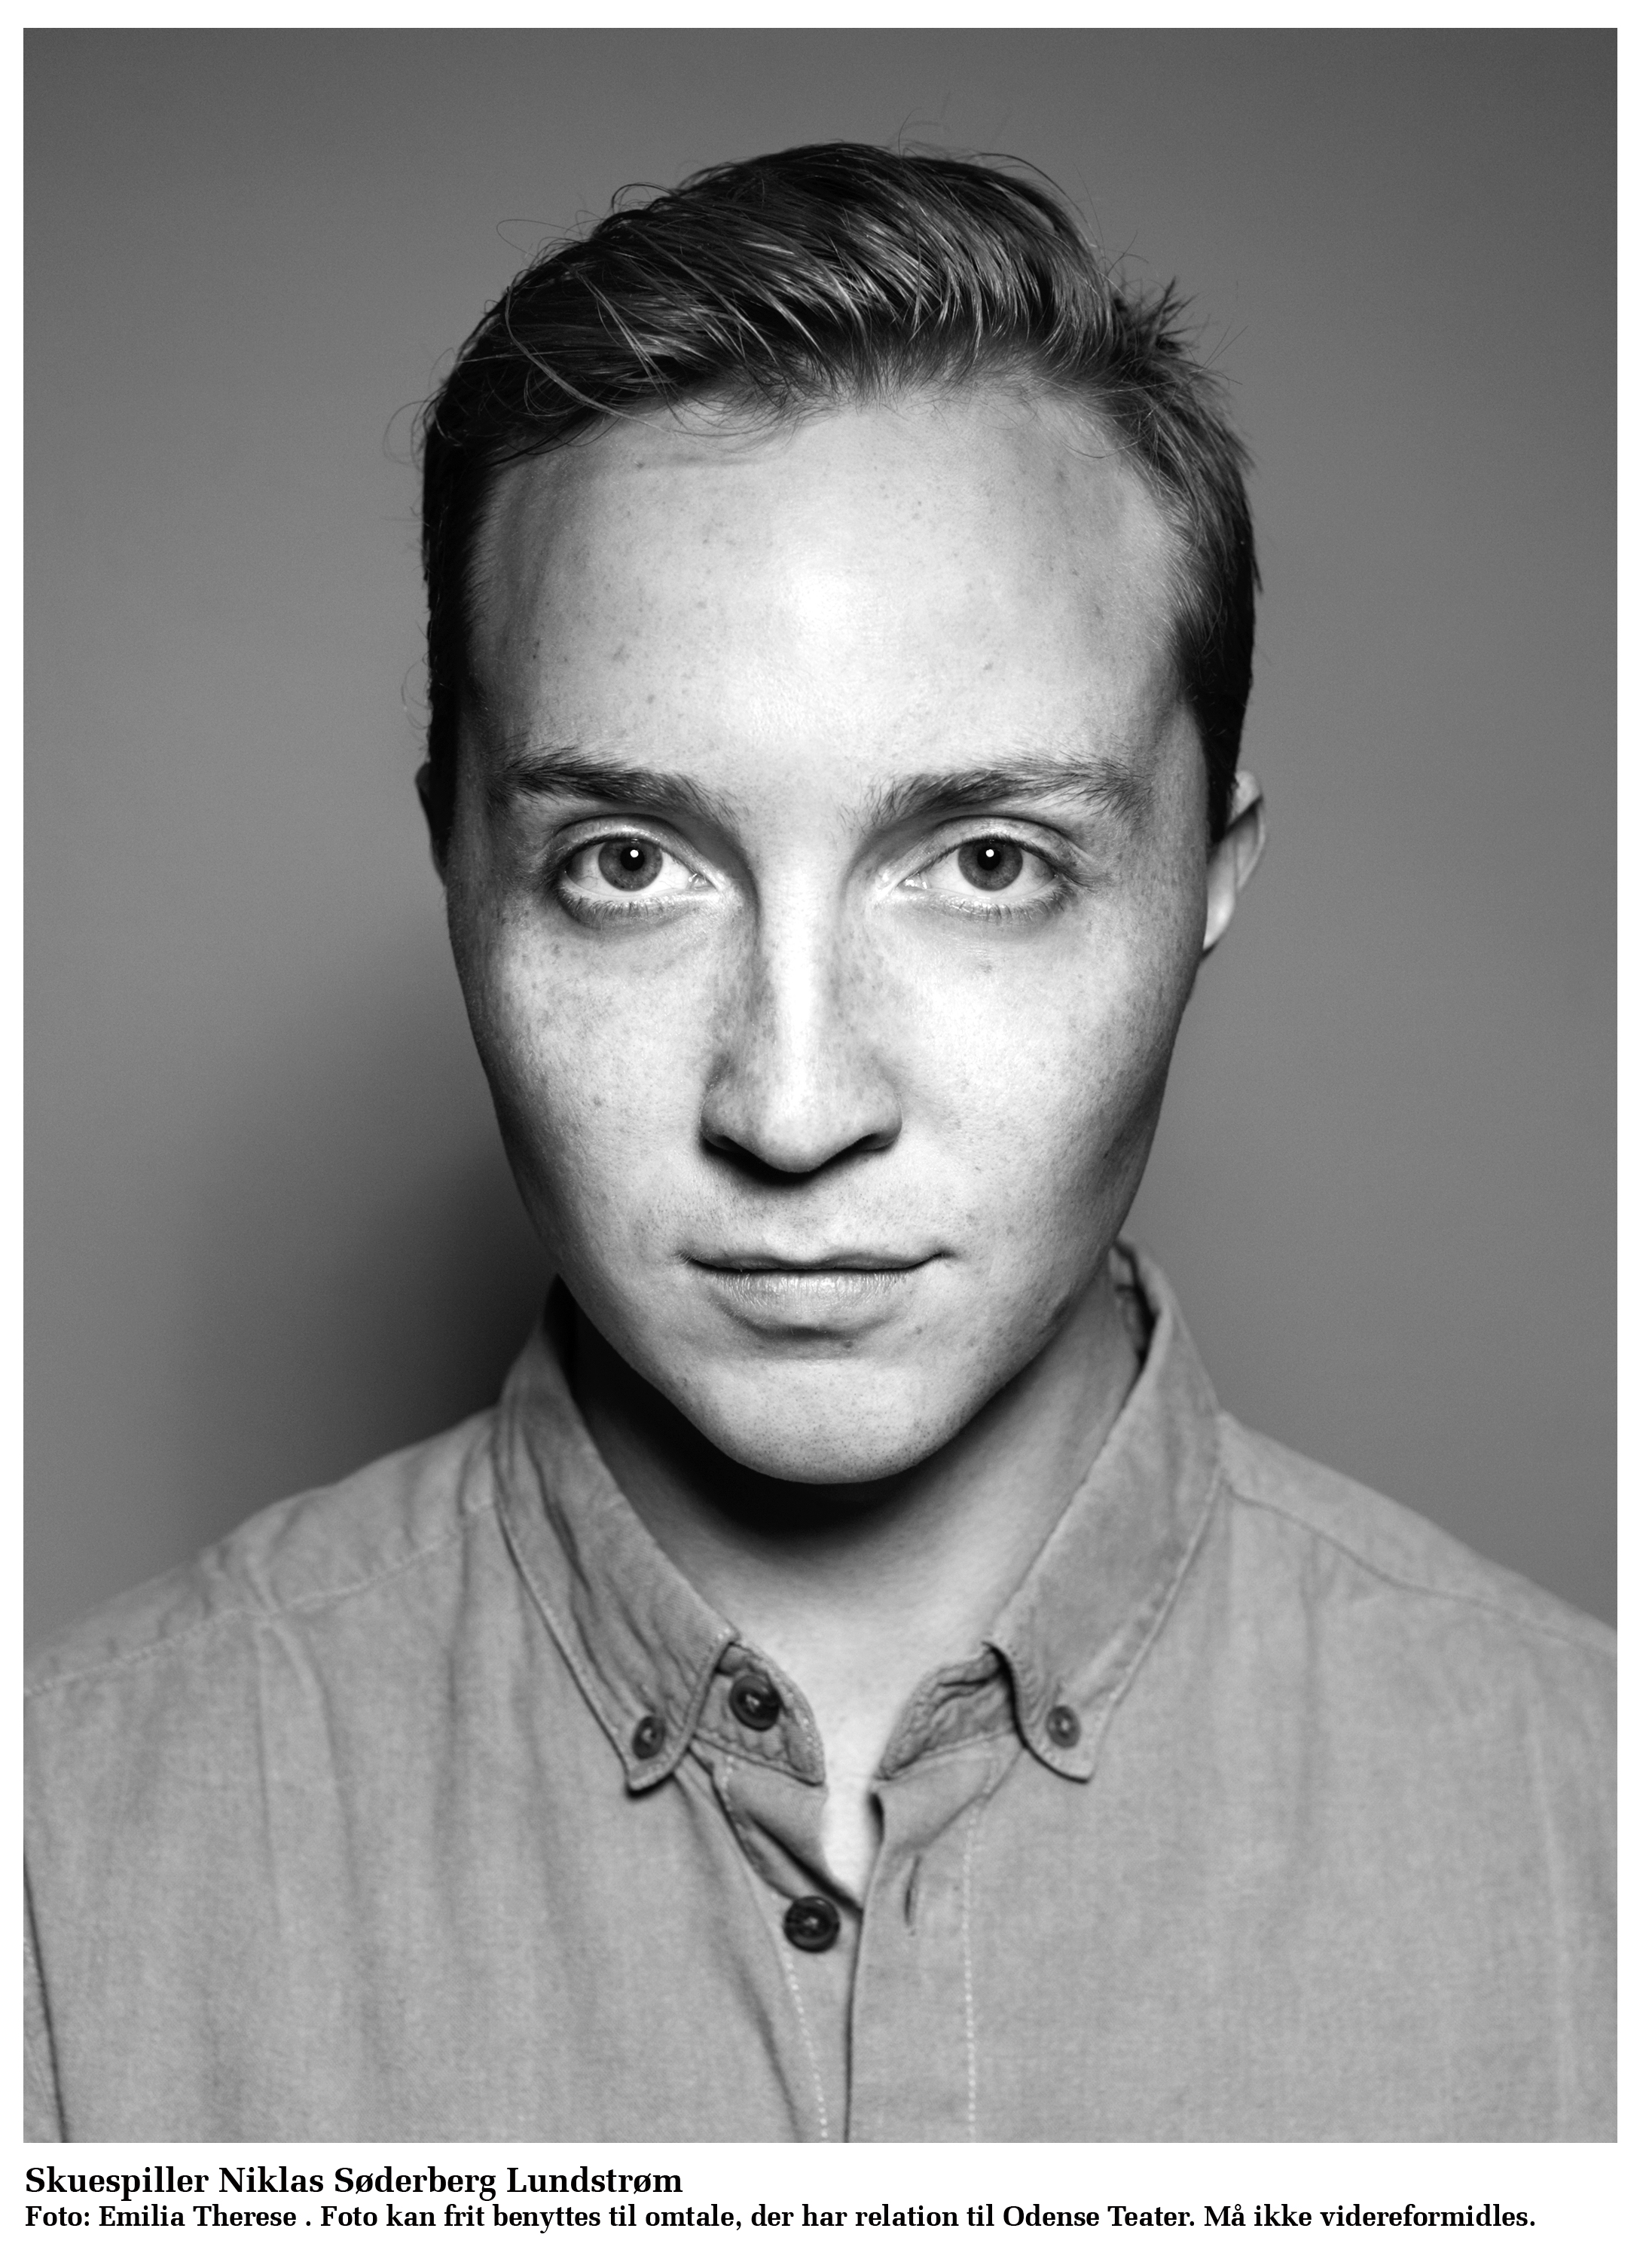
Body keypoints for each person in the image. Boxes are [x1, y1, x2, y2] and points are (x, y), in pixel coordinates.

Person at [25, 142, 1613, 2144]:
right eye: (628, 863)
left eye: (989, 863)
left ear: (1212, 875)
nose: (791, 1109)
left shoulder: (1591, 1834)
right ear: (456, 867)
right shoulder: (59, 1868)